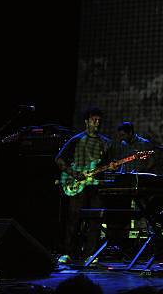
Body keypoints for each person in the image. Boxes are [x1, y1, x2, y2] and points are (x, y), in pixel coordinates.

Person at [55, 107, 112, 263]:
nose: (97, 123)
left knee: (95, 220)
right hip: (77, 184)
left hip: (96, 185)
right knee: (74, 218)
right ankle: (68, 253)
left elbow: (108, 165)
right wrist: (73, 174)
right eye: (94, 120)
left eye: (99, 120)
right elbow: (59, 159)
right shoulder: (76, 139)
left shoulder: (106, 143)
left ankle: (91, 254)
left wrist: (112, 167)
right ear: (86, 121)